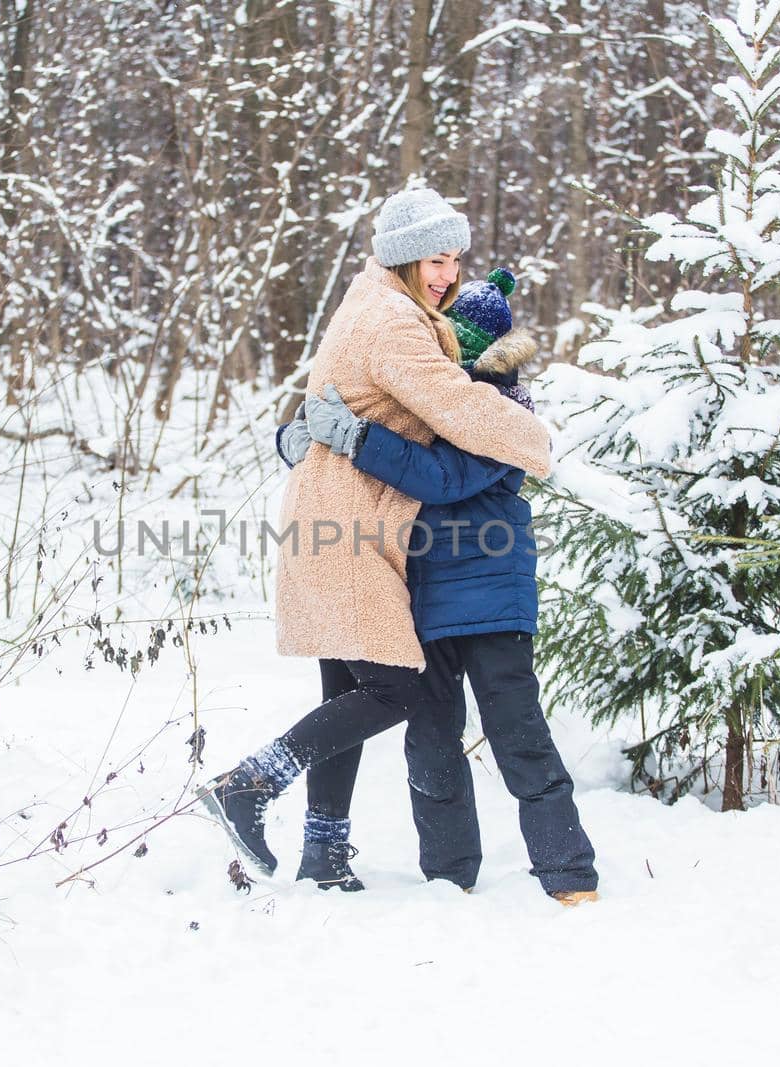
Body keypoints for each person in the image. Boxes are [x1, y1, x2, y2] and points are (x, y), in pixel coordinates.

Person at [196, 187, 553, 889]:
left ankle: (324, 854)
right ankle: (248, 784)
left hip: (328, 514)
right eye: (434, 259)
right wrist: (533, 437)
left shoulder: (371, 303)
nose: (447, 274)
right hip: (351, 526)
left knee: (345, 685)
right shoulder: (394, 321)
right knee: (398, 688)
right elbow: (455, 405)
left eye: (454, 259)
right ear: (402, 258)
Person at [279, 268, 600, 904]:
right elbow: (342, 409)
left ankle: (568, 871)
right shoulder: (414, 398)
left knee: (516, 729)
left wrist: (353, 439)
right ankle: (450, 877)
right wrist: (306, 439)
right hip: (417, 589)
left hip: (488, 595)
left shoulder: (498, 413)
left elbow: (441, 479)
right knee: (430, 737)